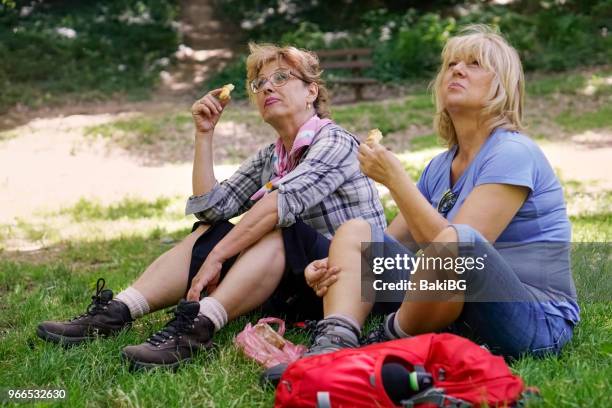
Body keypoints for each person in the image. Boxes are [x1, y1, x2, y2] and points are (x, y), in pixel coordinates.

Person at [36, 43, 386, 369]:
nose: (266, 88)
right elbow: (212, 209)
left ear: (311, 91)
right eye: (258, 83)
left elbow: (280, 205)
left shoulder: (336, 141)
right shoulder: (272, 156)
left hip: (350, 283)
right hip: (299, 281)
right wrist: (204, 134)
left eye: (281, 78)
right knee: (210, 231)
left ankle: (198, 326)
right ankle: (117, 312)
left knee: (276, 226)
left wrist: (218, 258)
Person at [291, 25, 580, 362]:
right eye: (451, 65)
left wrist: (397, 182)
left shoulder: (514, 153)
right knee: (356, 233)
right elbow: (380, 248)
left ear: (502, 86)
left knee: (459, 241)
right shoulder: (440, 166)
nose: (457, 69)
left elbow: (456, 254)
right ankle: (333, 344)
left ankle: (384, 343)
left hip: (534, 321)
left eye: (474, 64)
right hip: (462, 311)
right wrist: (336, 262)